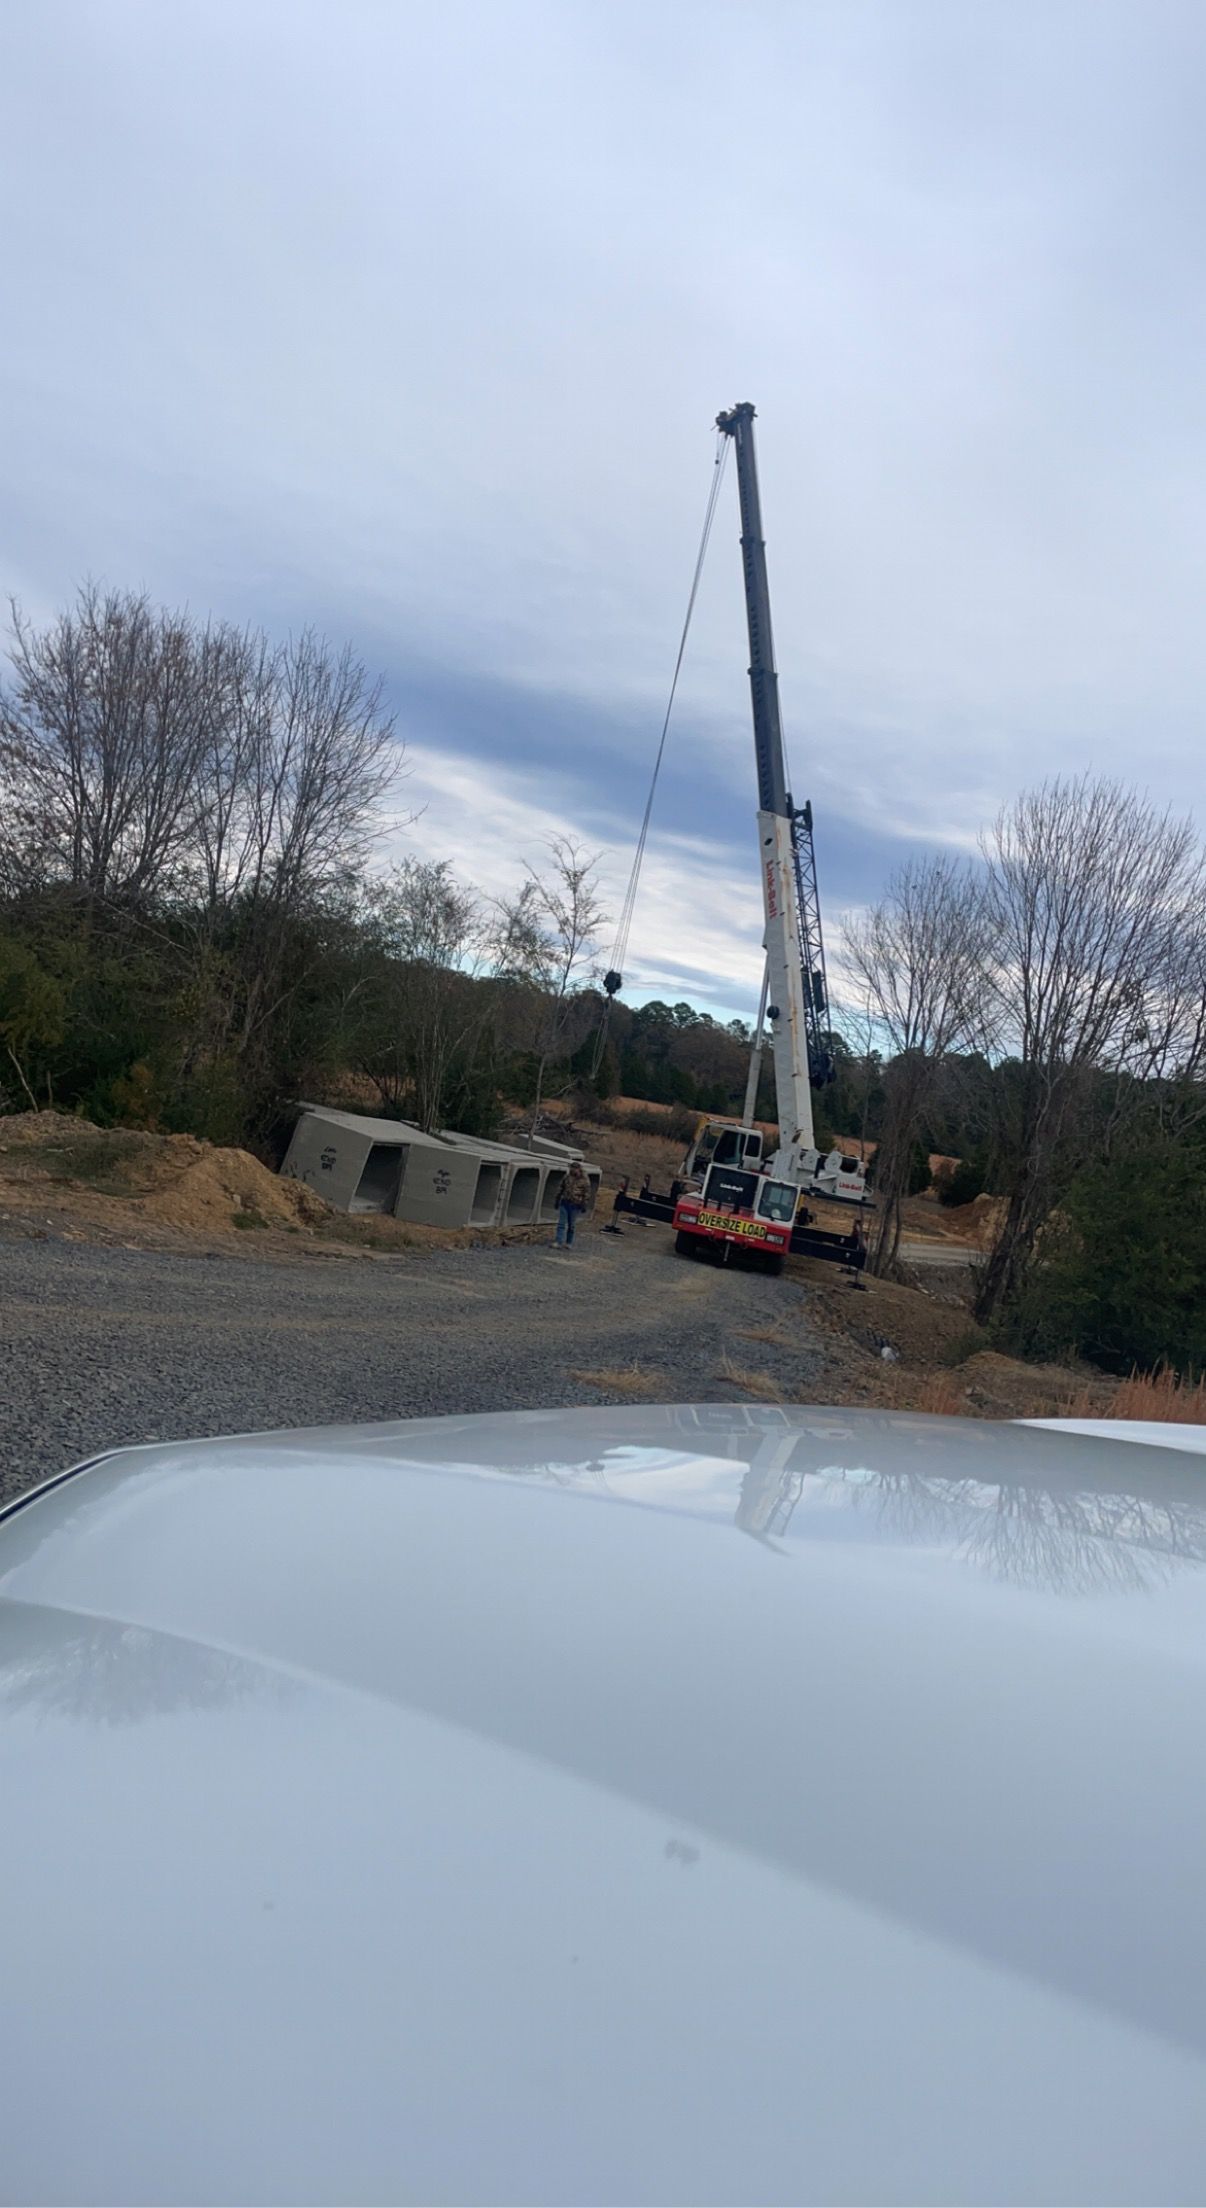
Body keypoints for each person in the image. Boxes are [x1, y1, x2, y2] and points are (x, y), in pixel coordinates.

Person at [556, 1161, 591, 1248]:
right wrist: (557, 1199)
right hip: (565, 1202)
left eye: (574, 1168)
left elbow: (587, 1193)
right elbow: (561, 1187)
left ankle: (569, 1242)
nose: (572, 1170)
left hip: (575, 1205)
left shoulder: (584, 1180)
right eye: (571, 1168)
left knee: (571, 1225)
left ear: (578, 1169)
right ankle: (559, 1241)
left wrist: (584, 1205)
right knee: (561, 1224)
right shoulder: (567, 1177)